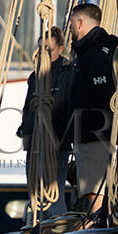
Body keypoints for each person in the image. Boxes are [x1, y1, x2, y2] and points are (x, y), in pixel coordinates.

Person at [62, 1, 118, 216]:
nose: (70, 29)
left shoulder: (93, 55)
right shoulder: (104, 49)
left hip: (94, 136)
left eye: (71, 24)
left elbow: (104, 95)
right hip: (100, 134)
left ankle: (95, 223)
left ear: (80, 22)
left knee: (93, 192)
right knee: (98, 189)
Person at [17, 27, 73, 201]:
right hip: (34, 141)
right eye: (41, 48)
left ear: (61, 49)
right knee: (34, 194)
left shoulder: (68, 74)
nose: (44, 53)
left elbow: (69, 108)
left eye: (49, 49)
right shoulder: (35, 76)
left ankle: (58, 227)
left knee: (54, 198)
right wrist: (25, 129)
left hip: (56, 142)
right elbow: (28, 107)